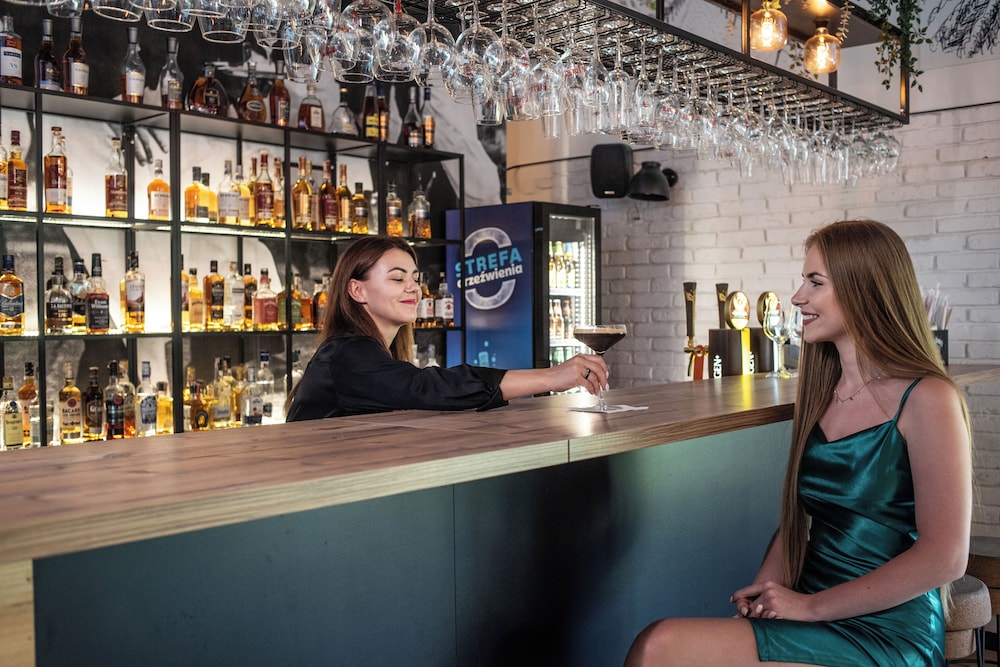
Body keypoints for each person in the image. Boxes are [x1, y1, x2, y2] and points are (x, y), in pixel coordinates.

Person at [625, 219, 972, 666]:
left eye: (815, 282)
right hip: (809, 605)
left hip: (887, 630)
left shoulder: (928, 397)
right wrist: (769, 592)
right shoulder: (821, 392)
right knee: (658, 646)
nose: (796, 297)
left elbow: (945, 557)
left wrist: (809, 608)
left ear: (863, 289)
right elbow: (801, 516)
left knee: (659, 646)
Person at [286, 236, 608, 421]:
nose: (413, 288)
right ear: (357, 290)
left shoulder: (366, 351)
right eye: (397, 278)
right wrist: (551, 377)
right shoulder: (347, 353)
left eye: (415, 278)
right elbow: (429, 387)